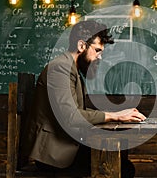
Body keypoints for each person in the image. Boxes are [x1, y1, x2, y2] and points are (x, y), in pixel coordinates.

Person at [22, 20, 146, 177]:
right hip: (54, 156)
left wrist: (116, 114)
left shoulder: (71, 68)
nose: (99, 57)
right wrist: (115, 116)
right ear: (82, 46)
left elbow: (76, 111)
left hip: (65, 145)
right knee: (124, 168)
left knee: (122, 160)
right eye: (97, 50)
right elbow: (71, 116)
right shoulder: (60, 68)